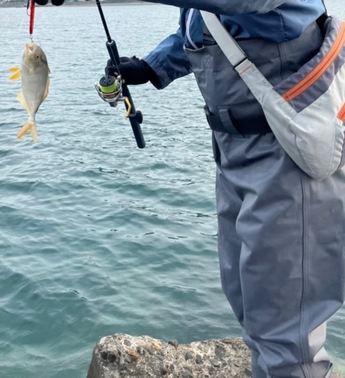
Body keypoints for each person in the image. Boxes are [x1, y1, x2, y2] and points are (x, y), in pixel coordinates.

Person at [39, 0, 345, 377]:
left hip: (285, 153)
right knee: (251, 304)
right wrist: (153, 65)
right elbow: (212, 30)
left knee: (286, 329)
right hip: (235, 153)